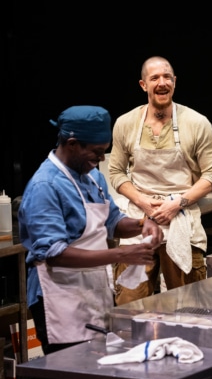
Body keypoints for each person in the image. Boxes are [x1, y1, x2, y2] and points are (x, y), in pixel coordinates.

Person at [18, 105, 163, 355]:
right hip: (59, 298)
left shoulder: (93, 177)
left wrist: (142, 224)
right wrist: (122, 255)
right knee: (72, 377)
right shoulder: (45, 186)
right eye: (96, 152)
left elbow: (113, 221)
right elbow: (55, 253)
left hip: (92, 293)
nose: (102, 160)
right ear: (72, 144)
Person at [108, 56, 212, 305]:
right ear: (143, 85)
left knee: (190, 306)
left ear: (175, 82)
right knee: (130, 305)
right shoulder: (126, 123)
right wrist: (144, 202)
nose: (162, 83)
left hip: (181, 220)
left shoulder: (196, 123)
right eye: (155, 78)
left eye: (167, 77)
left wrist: (176, 203)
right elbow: (115, 172)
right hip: (140, 222)